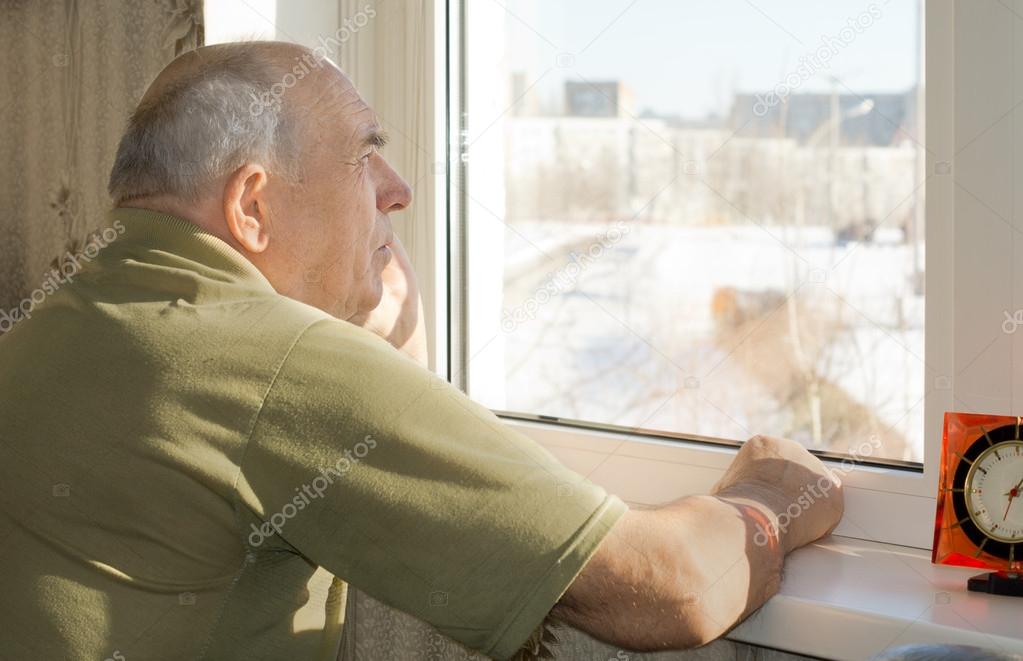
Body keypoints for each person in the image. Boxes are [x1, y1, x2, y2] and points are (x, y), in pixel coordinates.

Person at [0, 41, 843, 660]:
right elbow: (668, 589)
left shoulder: (63, 314)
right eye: (365, 153)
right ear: (252, 206)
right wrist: (773, 496)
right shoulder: (272, 364)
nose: (396, 190)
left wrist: (384, 359)